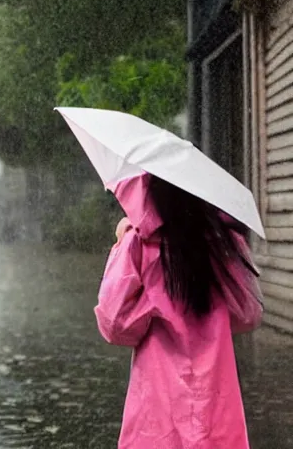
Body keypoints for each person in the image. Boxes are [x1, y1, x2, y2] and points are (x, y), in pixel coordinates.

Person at [95, 172, 263, 449]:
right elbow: (248, 313)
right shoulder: (220, 245)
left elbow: (115, 325)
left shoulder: (139, 244)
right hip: (215, 401)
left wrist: (122, 242)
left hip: (158, 411)